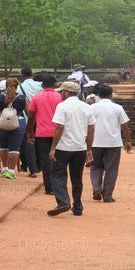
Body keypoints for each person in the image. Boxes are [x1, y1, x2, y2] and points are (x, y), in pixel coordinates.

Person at [47, 81, 94, 217]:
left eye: (62, 92)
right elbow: (91, 129)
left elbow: (59, 127)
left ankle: (63, 201)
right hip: (80, 147)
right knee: (76, 177)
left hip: (63, 147)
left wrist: (53, 148)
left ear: (67, 92)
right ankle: (77, 206)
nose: (61, 94)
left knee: (57, 174)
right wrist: (89, 148)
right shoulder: (86, 107)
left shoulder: (62, 106)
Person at [87, 83, 131, 203]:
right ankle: (107, 195)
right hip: (113, 143)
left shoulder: (92, 108)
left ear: (98, 95)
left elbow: (87, 126)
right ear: (111, 95)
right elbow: (124, 126)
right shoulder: (117, 108)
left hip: (96, 142)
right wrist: (128, 141)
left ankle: (96, 189)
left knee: (96, 166)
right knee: (111, 169)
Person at [25, 74, 61, 194]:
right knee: (59, 160)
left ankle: (49, 187)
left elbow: (31, 115)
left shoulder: (36, 97)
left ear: (42, 85)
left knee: (45, 160)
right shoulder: (60, 97)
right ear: (55, 84)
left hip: (42, 133)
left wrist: (30, 131)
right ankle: (59, 186)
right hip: (58, 133)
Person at [0, 77, 26, 180]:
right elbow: (29, 112)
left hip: (2, 123)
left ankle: (5, 168)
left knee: (3, 146)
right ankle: (11, 171)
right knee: (15, 148)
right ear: (17, 86)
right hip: (18, 122)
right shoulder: (22, 98)